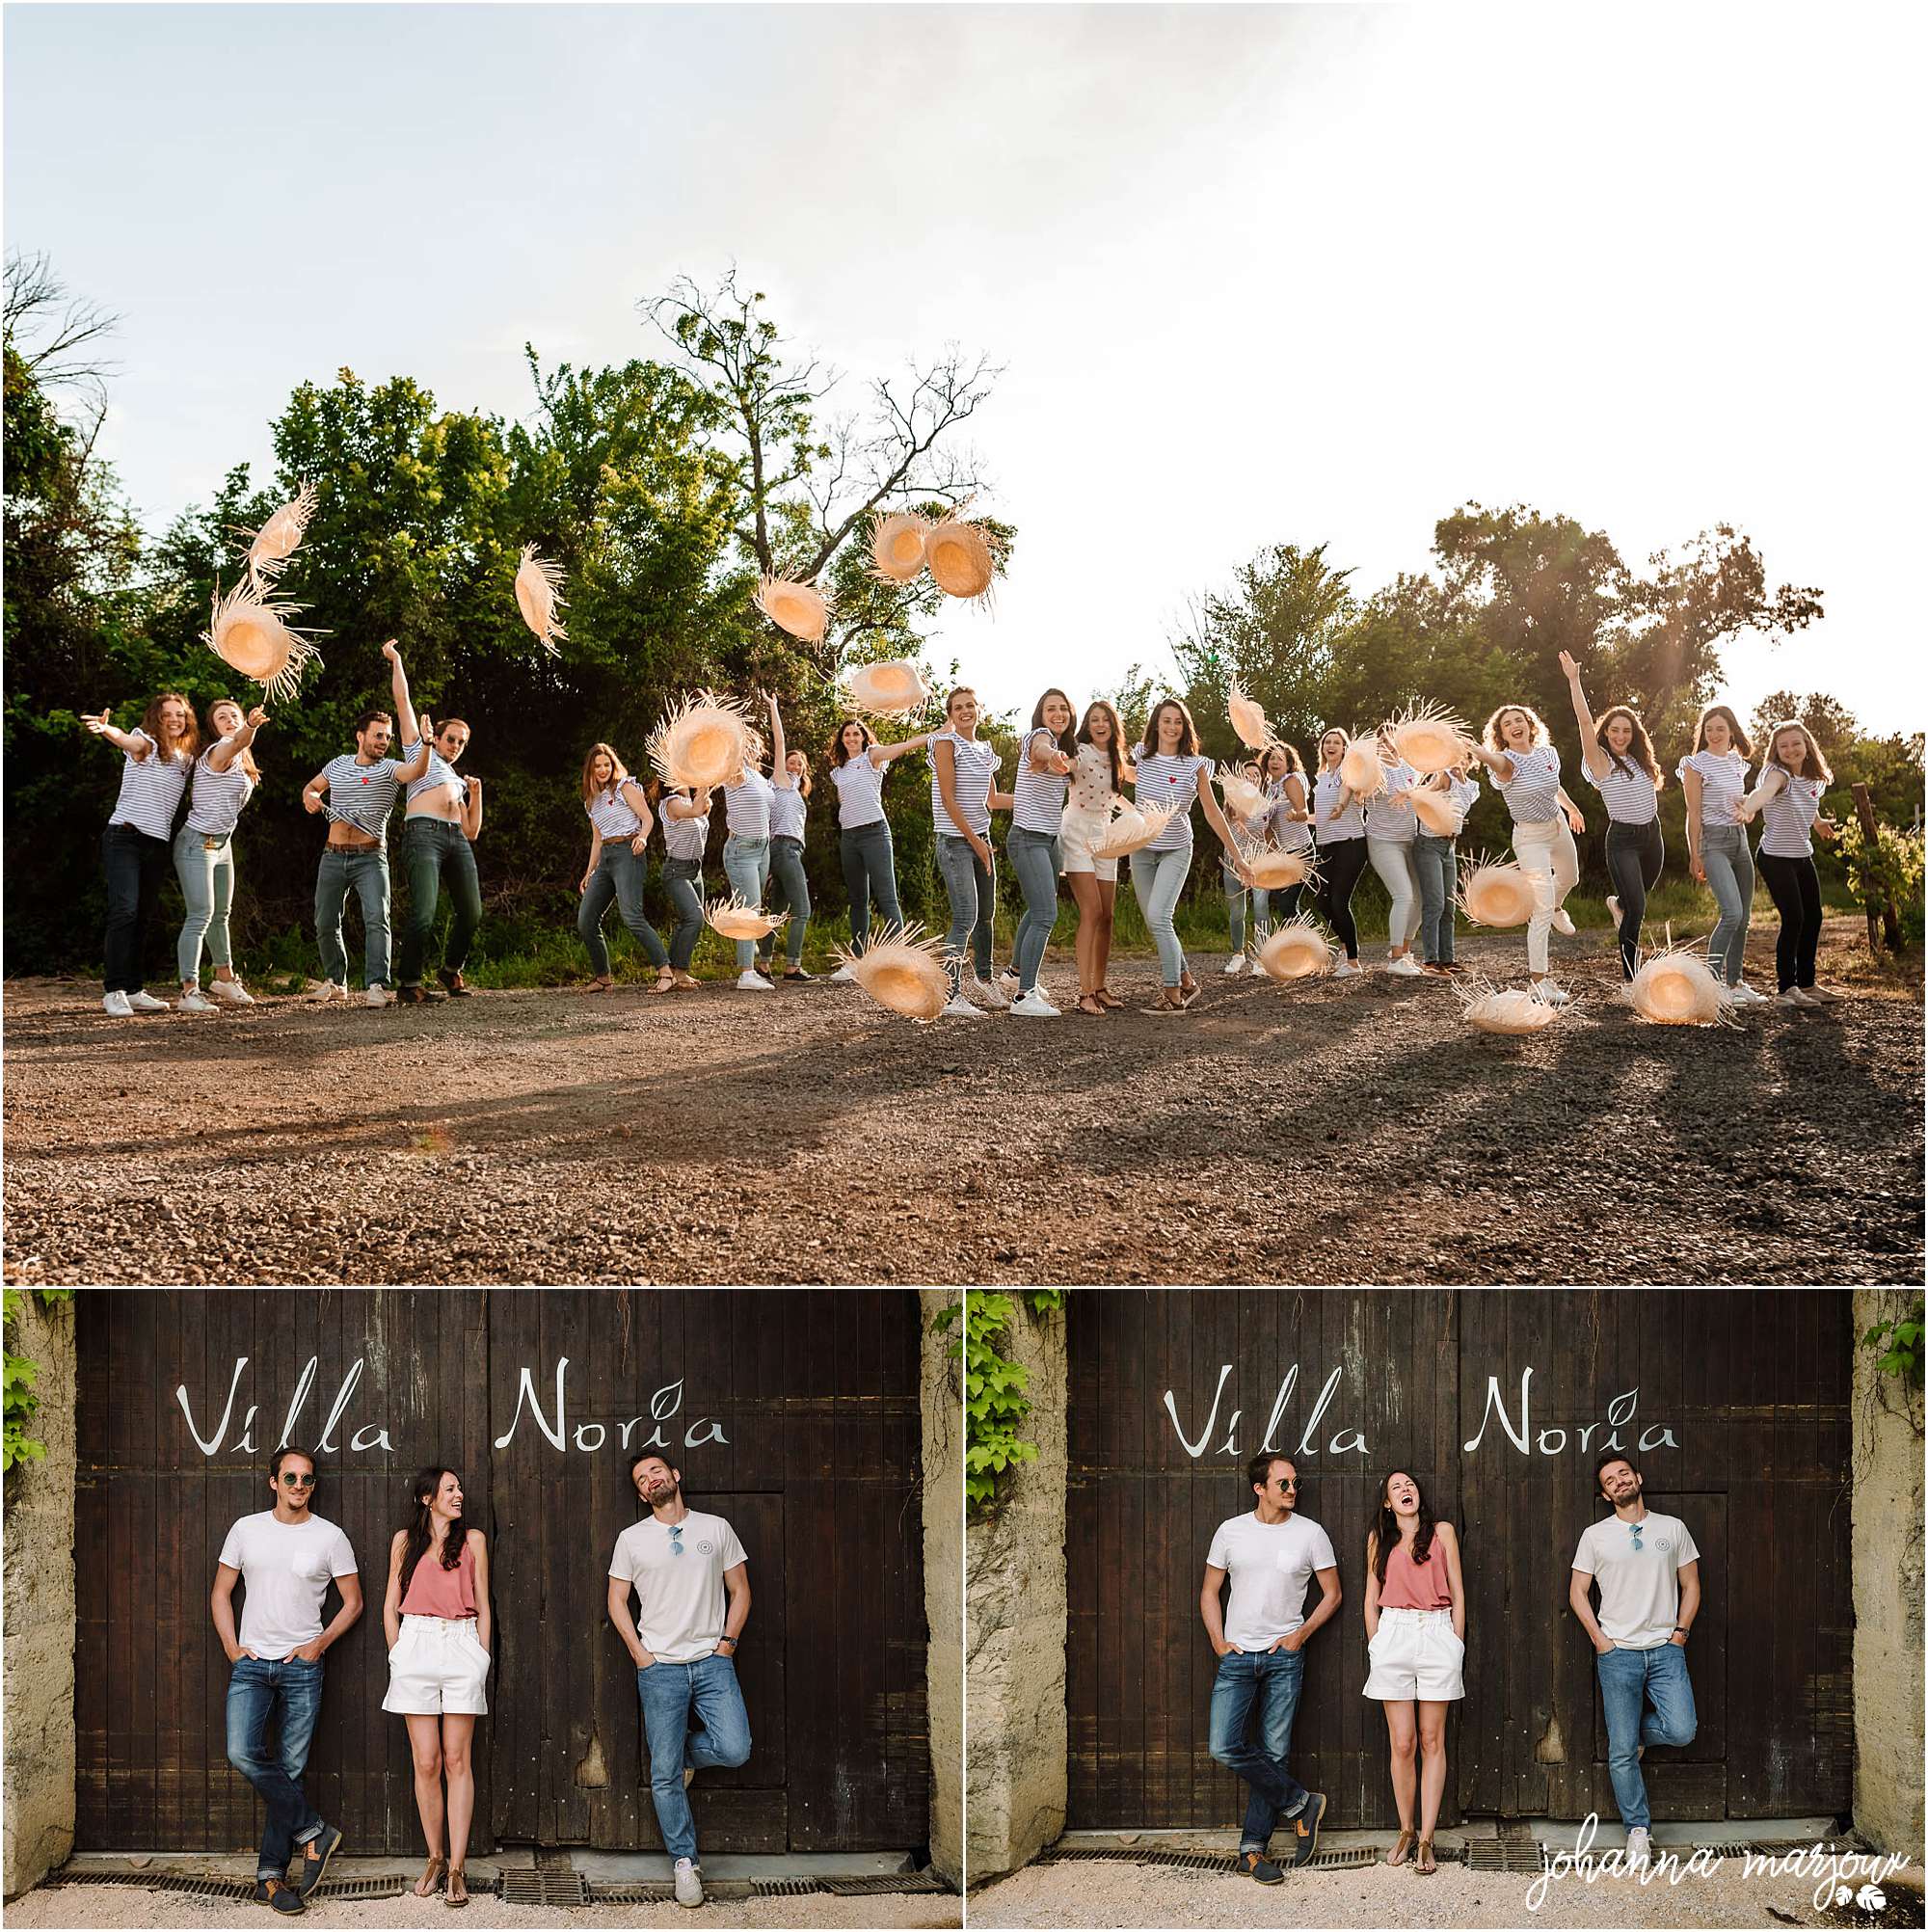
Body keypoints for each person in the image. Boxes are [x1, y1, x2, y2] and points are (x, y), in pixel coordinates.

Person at [210, 1446, 361, 1916]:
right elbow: (220, 1593)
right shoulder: (246, 1529)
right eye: (290, 1478)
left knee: (290, 1771)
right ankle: (314, 1831)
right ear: (273, 1481)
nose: (299, 1486)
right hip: (252, 1664)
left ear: (314, 1485)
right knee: (241, 1751)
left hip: (303, 1666)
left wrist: (319, 1644)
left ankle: (271, 1878)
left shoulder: (330, 1537)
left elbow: (353, 1602)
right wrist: (233, 1649)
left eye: (307, 1480)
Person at [607, 1454, 753, 1912]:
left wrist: (727, 1644)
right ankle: (684, 1862)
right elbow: (616, 1600)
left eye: (656, 1471)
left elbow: (741, 1589)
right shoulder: (632, 1539)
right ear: (640, 1494)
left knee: (735, 1749)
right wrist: (640, 1654)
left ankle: (684, 1753)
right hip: (660, 1670)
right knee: (664, 1776)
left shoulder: (716, 1528)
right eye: (641, 1479)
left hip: (712, 1662)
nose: (651, 1480)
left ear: (674, 1476)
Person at [1200, 1453, 1336, 1884]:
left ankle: (1252, 1851)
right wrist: (1219, 1643)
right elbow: (1209, 1592)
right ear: (1260, 1488)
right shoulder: (1231, 1531)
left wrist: (1300, 1635)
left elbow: (1332, 1594)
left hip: (1284, 1657)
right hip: (1237, 1658)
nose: (1292, 1489)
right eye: (1283, 1483)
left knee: (1273, 1752)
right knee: (1223, 1746)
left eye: (1295, 1482)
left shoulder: (1311, 1534)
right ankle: (1300, 1803)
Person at [1567, 1456, 1700, 1871]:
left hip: (1665, 1650)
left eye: (1624, 1473)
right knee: (1622, 1753)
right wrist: (1601, 1642)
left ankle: (1633, 1736)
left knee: (1681, 1730)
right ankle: (1637, 1831)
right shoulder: (1595, 1536)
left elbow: (1691, 1584)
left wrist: (1680, 1634)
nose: (1619, 1481)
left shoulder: (1672, 1528)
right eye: (1610, 1480)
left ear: (1638, 1478)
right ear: (1606, 1494)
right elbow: (1577, 1592)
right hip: (1618, 1654)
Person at [383, 1467, 492, 1908]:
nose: (459, 1494)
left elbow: (484, 1605)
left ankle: (458, 1867)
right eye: (450, 1489)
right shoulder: (404, 1542)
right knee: (425, 1761)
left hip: (462, 1641)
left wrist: (480, 1656)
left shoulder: (474, 1541)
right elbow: (391, 1606)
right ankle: (434, 1856)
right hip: (416, 1643)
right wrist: (398, 1654)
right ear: (427, 1498)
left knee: (456, 1758)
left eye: (460, 1488)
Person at [300, 642, 428, 1007]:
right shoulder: (338, 765)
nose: (384, 742)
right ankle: (335, 980)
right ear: (361, 736)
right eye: (378, 736)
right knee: (325, 921)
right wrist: (310, 798)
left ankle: (376, 985)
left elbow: (415, 769)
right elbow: (311, 788)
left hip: (371, 858)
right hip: (333, 855)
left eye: (387, 737)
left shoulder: (390, 770)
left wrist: (428, 745)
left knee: (377, 920)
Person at [1362, 1470, 1465, 1875]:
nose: (1406, 1491)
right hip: (1394, 1633)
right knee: (1402, 1742)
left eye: (1410, 1485)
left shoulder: (1442, 1532)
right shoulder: (1379, 1538)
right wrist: (1376, 1643)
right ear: (1388, 1502)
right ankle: (1405, 1830)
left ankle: (1426, 1837)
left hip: (1438, 1631)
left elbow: (1458, 1593)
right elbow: (1370, 1598)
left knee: (1431, 1738)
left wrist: (1455, 1641)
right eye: (1396, 1488)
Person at [1131, 698, 1253, 1014]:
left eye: (1178, 722)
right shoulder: (1139, 757)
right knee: (1154, 920)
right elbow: (1110, 776)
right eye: (1166, 720)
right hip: (1141, 850)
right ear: (1156, 724)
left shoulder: (1195, 764)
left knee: (1160, 917)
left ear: (1185, 728)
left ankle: (1173, 994)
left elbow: (1212, 813)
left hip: (1176, 848)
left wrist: (1237, 856)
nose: (1172, 727)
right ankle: (1187, 981)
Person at [84, 691, 199, 1015]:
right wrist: (108, 730)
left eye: (180, 714)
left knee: (143, 917)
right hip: (125, 837)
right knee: (124, 911)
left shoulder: (186, 760)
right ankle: (114, 989)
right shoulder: (145, 743)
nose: (175, 719)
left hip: (156, 843)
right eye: (168, 714)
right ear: (156, 717)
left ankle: (134, 988)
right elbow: (126, 741)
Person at [1467, 704, 1584, 1004]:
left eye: (1519, 720)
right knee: (1540, 908)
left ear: (1530, 725)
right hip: (1530, 838)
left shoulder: (1548, 754)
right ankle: (1539, 981)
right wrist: (1481, 753)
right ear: (1503, 735)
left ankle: (1559, 907)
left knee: (1570, 877)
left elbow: (1553, 787)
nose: (1515, 725)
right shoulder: (1505, 760)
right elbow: (1500, 766)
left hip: (1557, 826)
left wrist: (1571, 809)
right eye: (1507, 724)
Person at [1559, 652, 1664, 980]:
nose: (1620, 736)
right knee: (1638, 911)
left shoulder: (1640, 761)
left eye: (1627, 732)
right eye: (1615, 730)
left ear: (1634, 735)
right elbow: (1585, 723)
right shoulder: (1601, 762)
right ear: (1606, 733)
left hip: (1653, 836)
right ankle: (1633, 979)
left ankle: (1617, 904)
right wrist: (1574, 681)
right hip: (1623, 841)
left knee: (1634, 901)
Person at [1737, 719, 1840, 1007]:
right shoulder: (1777, 774)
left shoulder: (1813, 778)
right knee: (1794, 918)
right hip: (1775, 858)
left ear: (1807, 746)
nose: (1790, 749)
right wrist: (1748, 806)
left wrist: (1818, 823)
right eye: (1783, 746)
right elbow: (1765, 793)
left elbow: (1809, 803)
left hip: (1801, 856)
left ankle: (1807, 984)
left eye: (1796, 743)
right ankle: (1786, 990)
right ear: (1776, 751)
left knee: (1814, 917)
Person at [174, 699, 268, 1012]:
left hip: (222, 844)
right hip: (196, 843)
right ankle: (189, 991)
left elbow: (243, 744)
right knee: (200, 915)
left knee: (221, 915)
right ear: (214, 727)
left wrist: (247, 731)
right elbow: (240, 739)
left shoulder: (243, 761)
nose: (229, 720)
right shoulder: (219, 751)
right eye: (221, 717)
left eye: (234, 715)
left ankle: (224, 978)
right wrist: (250, 726)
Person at [823, 720, 932, 979]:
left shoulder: (873, 756)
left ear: (863, 737)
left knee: (887, 898)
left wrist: (936, 733)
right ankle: (857, 962)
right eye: (846, 734)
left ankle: (900, 961)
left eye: (855, 733)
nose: (851, 738)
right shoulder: (838, 771)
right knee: (858, 900)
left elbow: (904, 746)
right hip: (849, 837)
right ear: (841, 739)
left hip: (875, 834)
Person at [929, 686, 1015, 1018]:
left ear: (980, 709)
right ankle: (950, 995)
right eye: (958, 707)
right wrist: (976, 843)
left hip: (982, 837)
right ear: (950, 714)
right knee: (965, 917)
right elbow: (949, 800)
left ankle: (984, 979)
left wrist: (1038, 798)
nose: (965, 711)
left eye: (970, 705)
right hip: (955, 842)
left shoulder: (983, 750)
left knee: (986, 916)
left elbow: (992, 801)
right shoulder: (946, 745)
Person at [397, 714, 486, 1005]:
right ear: (436, 738)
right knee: (424, 913)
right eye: (451, 739)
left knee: (472, 912)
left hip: (455, 839)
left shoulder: (455, 779)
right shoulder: (418, 752)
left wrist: (476, 794)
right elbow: (403, 702)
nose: (456, 745)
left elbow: (471, 830)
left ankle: (450, 971)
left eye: (462, 742)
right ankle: (409, 983)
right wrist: (397, 665)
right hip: (423, 833)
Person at [1678, 705, 1762, 1002]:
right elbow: (1694, 813)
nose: (1714, 734)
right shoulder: (1694, 763)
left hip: (1740, 841)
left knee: (1744, 917)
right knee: (1732, 913)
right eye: (1709, 729)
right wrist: (1694, 853)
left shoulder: (1737, 763)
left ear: (1731, 733)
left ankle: (1736, 984)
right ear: (1703, 733)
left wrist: (1747, 812)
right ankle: (1710, 987)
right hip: (1713, 843)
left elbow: (1741, 803)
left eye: (1720, 729)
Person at [576, 743, 674, 995]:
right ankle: (603, 978)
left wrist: (642, 837)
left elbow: (648, 818)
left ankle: (666, 972)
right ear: (591, 768)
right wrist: (589, 872)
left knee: (631, 915)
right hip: (606, 858)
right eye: (597, 765)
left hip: (627, 853)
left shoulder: (624, 786)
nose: (602, 769)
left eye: (606, 764)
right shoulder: (591, 800)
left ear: (613, 765)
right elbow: (597, 839)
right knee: (586, 920)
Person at [1058, 701, 1134, 1016]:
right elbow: (1066, 765)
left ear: (1113, 725)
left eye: (1105, 720)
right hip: (1077, 830)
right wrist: (1057, 761)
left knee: (1108, 916)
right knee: (1092, 911)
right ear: (1087, 725)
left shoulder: (1117, 760)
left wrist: (1144, 817)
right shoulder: (1081, 752)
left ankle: (1100, 988)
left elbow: (1119, 793)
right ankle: (1084, 992)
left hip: (1105, 833)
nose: (1099, 724)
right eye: (1093, 720)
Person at [1005, 688, 1078, 1017]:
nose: (1058, 713)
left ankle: (1015, 975)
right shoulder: (1039, 736)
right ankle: (1024, 997)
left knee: (1037, 910)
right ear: (1041, 714)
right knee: (1047, 915)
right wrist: (1052, 756)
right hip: (1027, 838)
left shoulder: (1070, 748)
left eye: (1063, 708)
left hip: (1049, 840)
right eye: (1051, 708)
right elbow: (1040, 750)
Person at [719, 693, 784, 992]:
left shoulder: (760, 777)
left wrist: (773, 708)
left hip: (762, 849)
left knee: (752, 910)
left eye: (755, 744)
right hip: (741, 850)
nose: (752, 747)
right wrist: (719, 713)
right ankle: (746, 973)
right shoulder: (734, 774)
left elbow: (779, 743)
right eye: (747, 743)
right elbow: (726, 740)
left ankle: (747, 959)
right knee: (749, 911)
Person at [1363, 733, 1427, 979]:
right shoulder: (1372, 772)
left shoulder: (1412, 767)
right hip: (1383, 842)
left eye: (1392, 742)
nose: (1388, 747)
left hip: (1410, 841)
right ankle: (1396, 957)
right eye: (1383, 743)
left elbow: (1425, 792)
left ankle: (1404, 953)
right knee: (1404, 895)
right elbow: (1358, 791)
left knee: (1420, 899)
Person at [1310, 728, 1371, 979]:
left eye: (1337, 742)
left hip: (1351, 843)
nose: (1331, 745)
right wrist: (1299, 818)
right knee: (1322, 902)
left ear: (1344, 748)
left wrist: (1342, 805)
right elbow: (1321, 816)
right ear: (1322, 748)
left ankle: (1353, 962)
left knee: (1338, 901)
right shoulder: (1321, 778)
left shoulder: (1350, 772)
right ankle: (1347, 947)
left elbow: (1348, 792)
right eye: (1327, 742)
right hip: (1326, 844)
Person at [1411, 763, 1479, 977]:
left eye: (1465, 758)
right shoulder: (1437, 779)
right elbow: (1419, 797)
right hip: (1428, 845)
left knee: (1449, 906)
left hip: (1449, 846)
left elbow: (1465, 805)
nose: (1460, 763)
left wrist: (1461, 778)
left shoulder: (1469, 785)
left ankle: (1447, 959)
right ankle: (1431, 960)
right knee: (1435, 904)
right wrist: (1439, 780)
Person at [757, 747, 815, 983]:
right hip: (784, 849)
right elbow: (779, 747)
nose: (795, 767)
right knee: (802, 910)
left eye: (799, 763)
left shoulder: (795, 791)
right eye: (791, 762)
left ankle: (763, 965)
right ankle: (793, 966)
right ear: (782, 766)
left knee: (777, 913)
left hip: (787, 851)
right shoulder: (779, 782)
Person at [658, 783, 712, 989]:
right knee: (694, 919)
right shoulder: (671, 803)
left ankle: (674, 971)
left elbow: (700, 814)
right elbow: (695, 812)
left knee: (689, 921)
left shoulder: (690, 801)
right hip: (676, 870)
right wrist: (705, 782)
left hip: (695, 869)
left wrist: (704, 793)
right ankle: (679, 973)